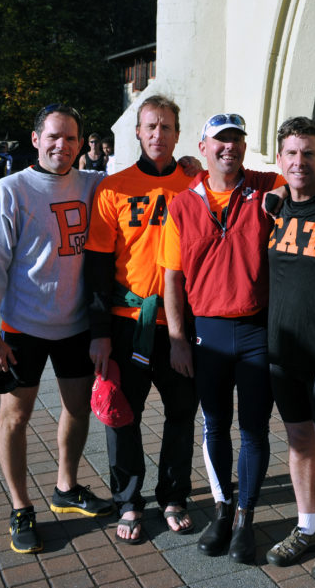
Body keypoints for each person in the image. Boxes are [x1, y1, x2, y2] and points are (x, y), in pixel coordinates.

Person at [0, 103, 113, 554]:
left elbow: (144, 182)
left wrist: (189, 165)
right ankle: (19, 505)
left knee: (78, 408)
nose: (62, 145)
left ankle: (65, 488)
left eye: (71, 138)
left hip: (75, 325)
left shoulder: (94, 184)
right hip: (22, 328)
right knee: (15, 416)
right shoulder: (9, 191)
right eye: (53, 136)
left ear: (82, 143)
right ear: (35, 139)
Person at [158, 113, 284, 564]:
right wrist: (176, 339)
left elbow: (308, 179)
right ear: (203, 147)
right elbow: (172, 279)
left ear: (244, 147)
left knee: (253, 429)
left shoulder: (266, 187)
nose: (229, 148)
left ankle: (247, 520)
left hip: (255, 331)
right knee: (214, 426)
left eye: (236, 141)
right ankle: (222, 510)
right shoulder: (181, 204)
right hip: (206, 335)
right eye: (220, 141)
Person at [84, 95, 200, 544]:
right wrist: (98, 334)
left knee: (180, 413)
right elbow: (95, 267)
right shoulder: (113, 188)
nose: (158, 135)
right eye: (150, 126)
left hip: (178, 322)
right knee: (121, 414)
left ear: (177, 133)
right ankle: (128, 500)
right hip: (126, 320)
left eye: (167, 127)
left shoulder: (194, 183)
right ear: (137, 131)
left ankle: (174, 495)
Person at [263, 117, 315, 579]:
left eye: (308, 153)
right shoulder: (272, 208)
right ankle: (307, 525)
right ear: (279, 160)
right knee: (298, 442)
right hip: (283, 352)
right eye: (291, 153)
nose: (299, 162)